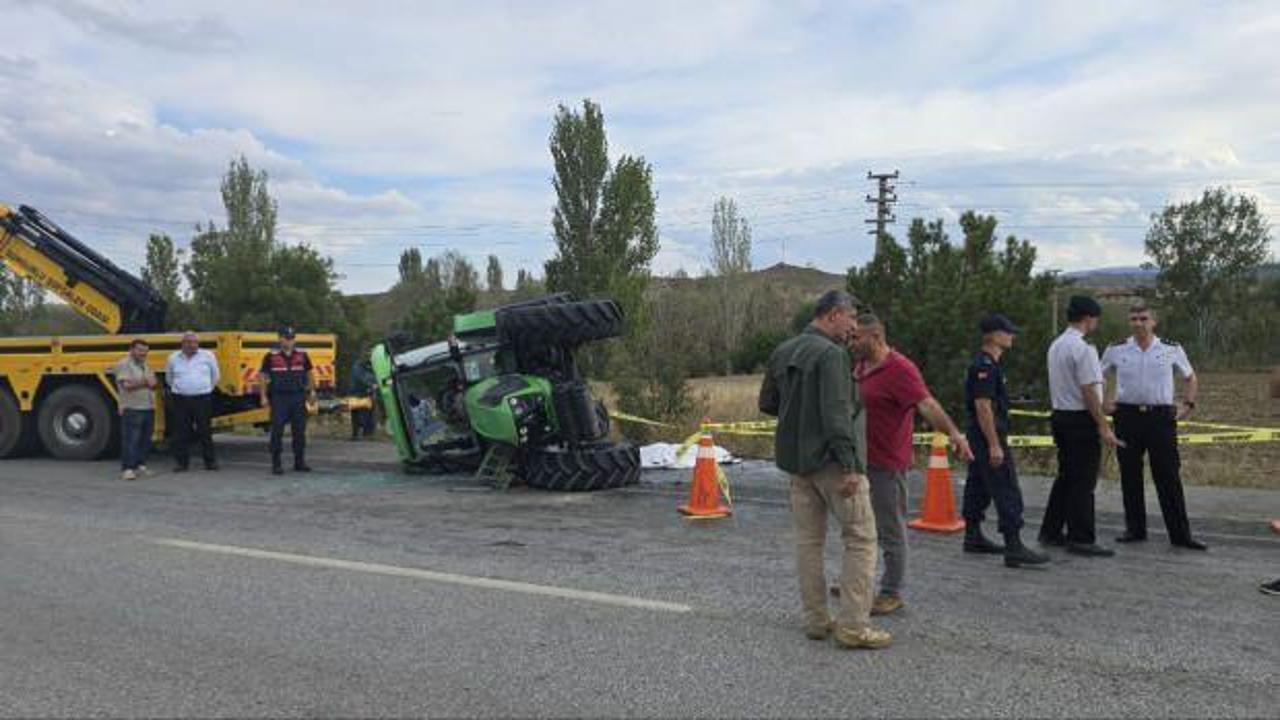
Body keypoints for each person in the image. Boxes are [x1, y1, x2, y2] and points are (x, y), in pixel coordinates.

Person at [758, 290, 890, 651]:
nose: (853, 328)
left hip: (798, 466)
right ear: (833, 315)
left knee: (809, 544)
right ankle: (853, 626)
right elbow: (836, 413)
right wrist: (850, 465)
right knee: (861, 539)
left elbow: (768, 403)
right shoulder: (832, 355)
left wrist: (800, 416)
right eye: (850, 319)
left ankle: (817, 620)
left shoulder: (783, 350)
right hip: (834, 463)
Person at [848, 312, 974, 614]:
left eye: (857, 337)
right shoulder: (861, 366)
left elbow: (927, 404)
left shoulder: (900, 369)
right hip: (859, 460)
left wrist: (955, 434)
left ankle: (891, 591)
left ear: (876, 338)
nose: (851, 342)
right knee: (860, 524)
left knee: (890, 527)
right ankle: (859, 581)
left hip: (886, 463)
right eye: (850, 336)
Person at [1101, 302, 1207, 550]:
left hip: (1160, 418)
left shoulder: (1171, 348)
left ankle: (1181, 535)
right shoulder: (1117, 348)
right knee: (1130, 475)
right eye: (1134, 319)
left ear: (1154, 322)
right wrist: (1105, 399)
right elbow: (1100, 374)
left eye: (1143, 318)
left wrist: (1188, 404)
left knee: (1168, 476)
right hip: (1127, 417)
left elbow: (1190, 377)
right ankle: (1135, 530)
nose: (1138, 323)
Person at [961, 314, 1050, 568]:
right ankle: (1014, 545)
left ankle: (973, 535)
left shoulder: (989, 364)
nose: (1012, 336)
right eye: (1007, 332)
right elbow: (983, 406)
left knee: (978, 481)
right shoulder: (985, 366)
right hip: (987, 433)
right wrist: (994, 444)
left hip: (980, 434)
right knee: (1006, 486)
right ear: (992, 335)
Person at [1040, 296, 1121, 556]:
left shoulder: (1056, 345)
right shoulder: (1084, 349)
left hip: (1060, 416)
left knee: (1066, 477)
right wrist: (1102, 425)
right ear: (1088, 318)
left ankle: (1051, 531)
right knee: (1083, 482)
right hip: (1080, 420)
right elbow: (1087, 390)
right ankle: (1081, 538)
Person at [259, 327, 316, 475]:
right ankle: (276, 464)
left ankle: (299, 462)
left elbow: (310, 374)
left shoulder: (302, 355)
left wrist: (311, 392)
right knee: (277, 431)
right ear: (279, 339)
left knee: (299, 431)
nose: (289, 341)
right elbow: (263, 377)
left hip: (298, 396)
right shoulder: (271, 356)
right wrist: (263, 396)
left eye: (291, 338)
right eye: (286, 338)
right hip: (279, 398)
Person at [166, 331, 220, 472]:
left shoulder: (208, 356)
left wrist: (205, 388)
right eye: (188, 342)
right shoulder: (173, 357)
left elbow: (215, 376)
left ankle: (210, 462)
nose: (192, 345)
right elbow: (169, 378)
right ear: (182, 344)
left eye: (194, 342)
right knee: (181, 432)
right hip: (180, 399)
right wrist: (180, 388)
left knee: (205, 431)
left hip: (202, 398)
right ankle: (182, 463)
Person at [113, 338, 158, 481]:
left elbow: (154, 382)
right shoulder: (124, 364)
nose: (143, 353)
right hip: (132, 407)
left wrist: (151, 383)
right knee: (131, 439)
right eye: (139, 350)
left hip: (148, 406)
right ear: (131, 350)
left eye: (145, 351)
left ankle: (140, 465)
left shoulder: (145, 364)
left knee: (145, 439)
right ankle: (127, 469)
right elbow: (127, 385)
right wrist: (146, 382)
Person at [349, 356, 377, 440]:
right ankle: (358, 433)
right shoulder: (358, 367)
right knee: (360, 414)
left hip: (364, 393)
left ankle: (363, 433)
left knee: (365, 414)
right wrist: (372, 384)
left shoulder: (366, 366)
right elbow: (362, 378)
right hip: (357, 394)